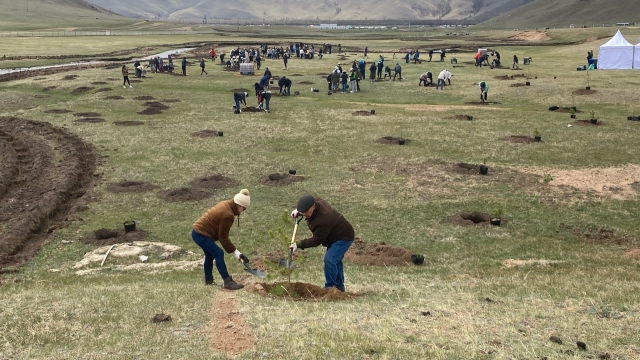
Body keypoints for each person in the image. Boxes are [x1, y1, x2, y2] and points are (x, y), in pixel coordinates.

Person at [289, 195, 354, 292]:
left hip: (343, 237)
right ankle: (339, 288)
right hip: (333, 236)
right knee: (335, 260)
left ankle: (330, 288)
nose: (304, 214)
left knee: (330, 259)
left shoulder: (323, 219)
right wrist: (298, 211)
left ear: (313, 207)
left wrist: (298, 244)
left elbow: (317, 240)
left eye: (306, 212)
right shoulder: (315, 202)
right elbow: (308, 202)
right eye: (302, 212)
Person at [191, 189, 252, 290]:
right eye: (243, 209)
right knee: (219, 253)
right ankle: (227, 281)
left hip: (197, 232)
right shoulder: (228, 215)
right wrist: (236, 252)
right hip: (201, 234)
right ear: (240, 206)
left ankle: (209, 281)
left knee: (210, 256)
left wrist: (237, 253)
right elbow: (223, 237)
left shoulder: (226, 204)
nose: (242, 211)